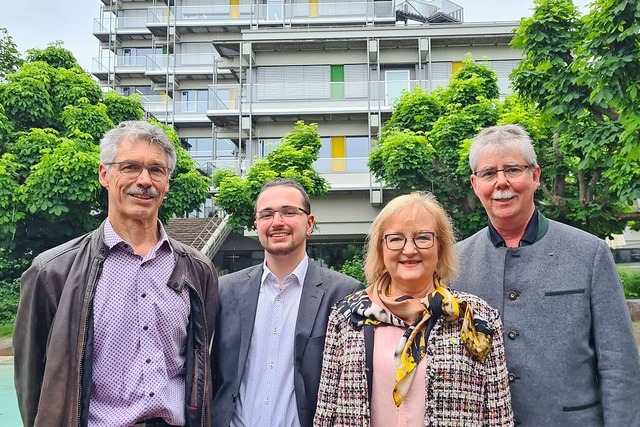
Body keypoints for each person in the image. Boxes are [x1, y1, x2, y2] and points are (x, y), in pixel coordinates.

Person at [13, 121, 218, 427]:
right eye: (130, 167)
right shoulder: (53, 271)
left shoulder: (197, 269)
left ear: (167, 184)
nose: (144, 180)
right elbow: (31, 382)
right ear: (104, 175)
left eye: (157, 170)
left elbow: (201, 366)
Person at [453, 124, 640, 426]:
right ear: (475, 184)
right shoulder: (454, 263)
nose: (501, 183)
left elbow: (619, 364)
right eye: (489, 174)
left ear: (535, 176)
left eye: (513, 169)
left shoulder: (588, 253)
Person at [314, 192, 513, 426]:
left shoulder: (475, 316)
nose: (409, 250)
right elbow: (326, 411)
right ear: (381, 249)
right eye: (396, 239)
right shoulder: (348, 315)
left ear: (440, 246)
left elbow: (498, 415)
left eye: (423, 238)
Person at [211, 178, 363, 427]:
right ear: (256, 224)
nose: (277, 222)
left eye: (289, 212)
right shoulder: (224, 290)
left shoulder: (344, 294)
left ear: (309, 223)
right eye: (267, 214)